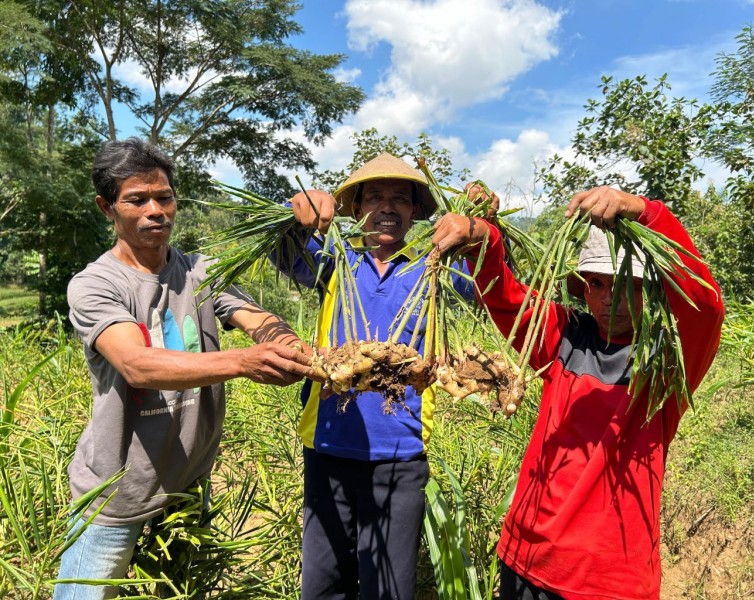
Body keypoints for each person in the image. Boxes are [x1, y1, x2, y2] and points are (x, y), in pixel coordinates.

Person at [54, 138, 317, 600]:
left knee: (177, 592)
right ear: (107, 208)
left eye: (165, 197)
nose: (156, 210)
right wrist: (243, 362)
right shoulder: (96, 284)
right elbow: (137, 365)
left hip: (189, 484)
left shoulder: (201, 271)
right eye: (137, 199)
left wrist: (289, 345)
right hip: (119, 493)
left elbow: (258, 320)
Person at [432, 186, 725, 600]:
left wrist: (645, 211)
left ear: (650, 291)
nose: (610, 299)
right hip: (525, 554)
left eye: (626, 284)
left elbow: (706, 306)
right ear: (583, 288)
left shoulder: (664, 364)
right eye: (597, 284)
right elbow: (506, 297)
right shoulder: (565, 336)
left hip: (605, 578)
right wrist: (485, 236)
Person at [274, 153, 474, 600]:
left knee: (388, 586)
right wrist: (299, 210)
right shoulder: (334, 262)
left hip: (400, 452)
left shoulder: (435, 267)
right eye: (376, 197)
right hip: (328, 444)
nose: (387, 207)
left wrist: (479, 227)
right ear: (356, 208)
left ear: (416, 211)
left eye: (400, 199)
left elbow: (490, 279)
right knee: (323, 582)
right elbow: (282, 249)